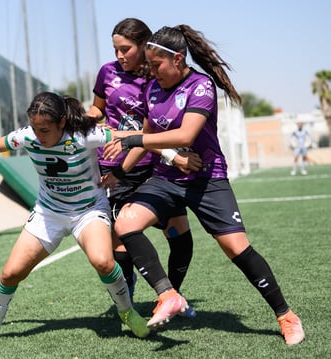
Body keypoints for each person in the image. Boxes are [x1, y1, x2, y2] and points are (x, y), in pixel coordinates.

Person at [103, 25, 305, 345]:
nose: (152, 72)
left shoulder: (201, 86)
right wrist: (119, 173)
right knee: (125, 223)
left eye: (157, 66)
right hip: (166, 179)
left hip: (207, 180)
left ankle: (286, 315)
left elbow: (184, 135)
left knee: (236, 249)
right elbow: (147, 139)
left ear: (178, 60)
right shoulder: (153, 89)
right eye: (149, 66)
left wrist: (131, 139)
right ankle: (168, 295)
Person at [0, 91, 150, 345]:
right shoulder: (28, 136)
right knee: (10, 273)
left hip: (88, 210)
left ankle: (127, 312)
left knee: (103, 262)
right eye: (34, 128)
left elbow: (136, 138)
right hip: (49, 212)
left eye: (44, 129)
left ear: (62, 123)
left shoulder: (85, 135)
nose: (38, 135)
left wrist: (170, 154)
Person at [87, 18, 200, 317]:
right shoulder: (107, 72)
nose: (119, 56)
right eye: (115, 50)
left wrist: (172, 156)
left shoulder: (159, 78)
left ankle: (173, 295)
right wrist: (88, 116)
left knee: (180, 237)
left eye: (126, 49)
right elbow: (98, 107)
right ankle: (131, 295)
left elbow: (156, 130)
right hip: (114, 167)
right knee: (121, 242)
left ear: (144, 46)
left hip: (153, 168)